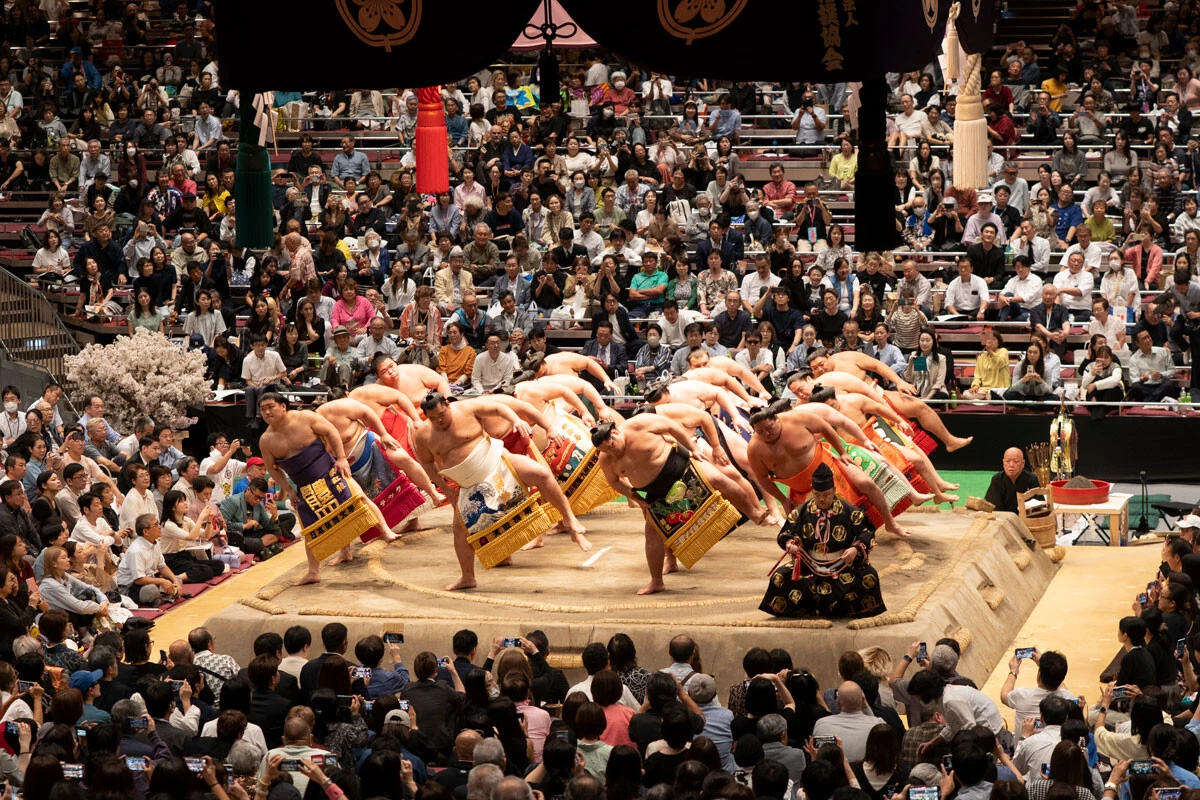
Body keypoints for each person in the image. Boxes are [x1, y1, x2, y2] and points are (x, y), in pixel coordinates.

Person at [412, 392, 588, 591]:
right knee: (459, 530)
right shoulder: (424, 434)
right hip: (469, 484)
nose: (439, 421)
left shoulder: (469, 407)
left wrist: (515, 420)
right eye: (433, 418)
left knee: (541, 473)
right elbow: (426, 463)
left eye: (442, 414)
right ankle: (467, 577)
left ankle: (569, 519)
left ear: (447, 405)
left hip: (497, 462)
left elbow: (499, 408)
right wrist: (444, 489)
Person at [594, 414, 765, 595]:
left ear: (615, 432)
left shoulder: (639, 424)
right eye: (607, 450)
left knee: (717, 478)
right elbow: (614, 481)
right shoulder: (606, 458)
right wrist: (634, 496)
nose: (613, 452)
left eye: (612, 445)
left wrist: (693, 448)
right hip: (656, 491)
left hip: (681, 467)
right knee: (652, 532)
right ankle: (657, 581)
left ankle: (754, 512)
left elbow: (671, 427)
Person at [256, 392, 371, 585]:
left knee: (355, 503)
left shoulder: (305, 417)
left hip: (328, 472)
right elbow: (272, 469)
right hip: (303, 486)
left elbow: (331, 431)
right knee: (310, 529)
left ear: (284, 406)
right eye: (263, 409)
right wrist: (288, 489)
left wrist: (342, 458)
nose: (267, 412)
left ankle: (381, 534)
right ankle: (313, 571)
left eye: (271, 407)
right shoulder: (266, 440)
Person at [760, 461, 884, 620]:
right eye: (817, 495)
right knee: (779, 576)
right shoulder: (801, 511)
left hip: (842, 566)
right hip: (808, 565)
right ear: (812, 492)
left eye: (826, 495)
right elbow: (786, 534)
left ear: (834, 491)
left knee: (869, 576)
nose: (822, 499)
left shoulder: (850, 511)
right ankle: (805, 610)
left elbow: (867, 533)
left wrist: (855, 549)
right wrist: (790, 544)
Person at [115, 513, 182, 607]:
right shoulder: (136, 550)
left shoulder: (156, 543)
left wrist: (175, 581)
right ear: (146, 532)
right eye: (156, 524)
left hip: (149, 578)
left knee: (177, 579)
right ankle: (163, 597)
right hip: (130, 586)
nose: (159, 527)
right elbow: (138, 580)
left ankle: (160, 598)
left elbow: (162, 566)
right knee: (151, 590)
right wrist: (162, 581)